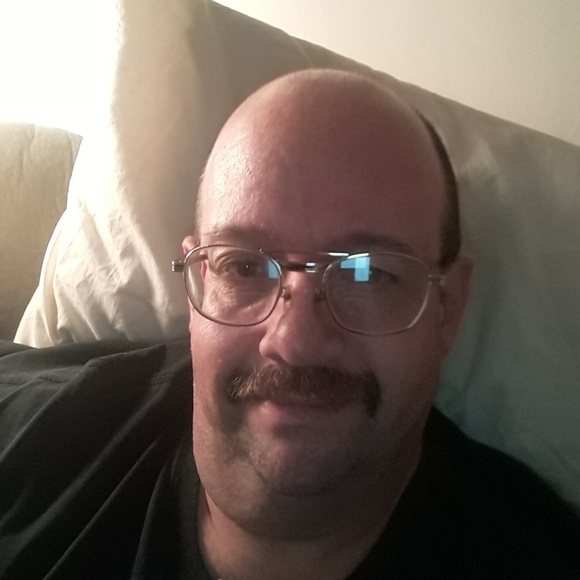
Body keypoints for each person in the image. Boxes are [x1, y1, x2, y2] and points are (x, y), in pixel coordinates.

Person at [0, 70, 579, 579]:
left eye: (368, 273)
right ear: (198, 284)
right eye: (245, 267)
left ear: (447, 308)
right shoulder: (50, 438)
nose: (296, 341)